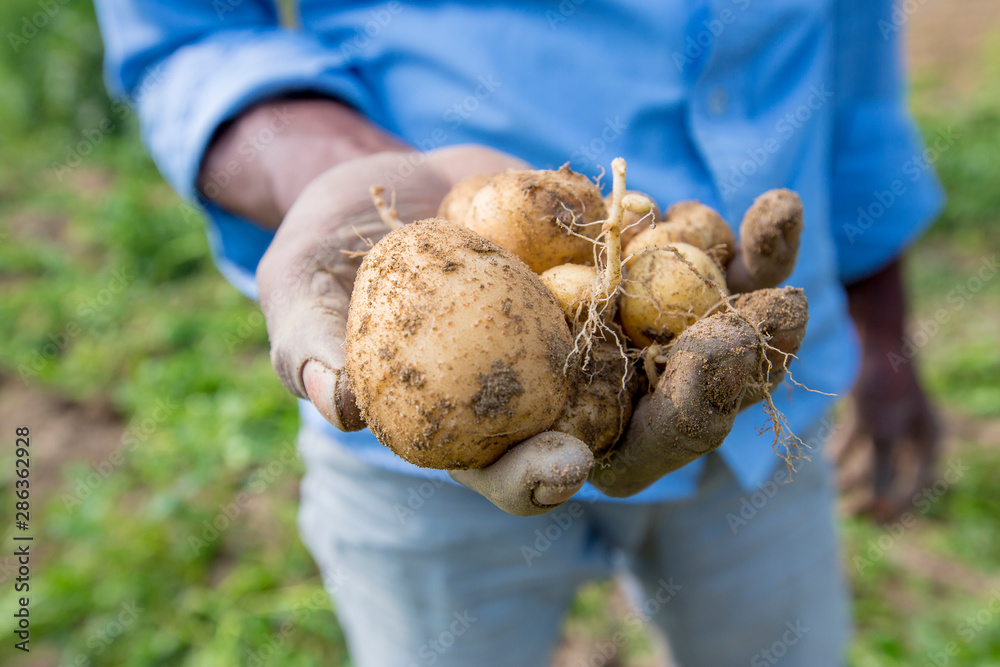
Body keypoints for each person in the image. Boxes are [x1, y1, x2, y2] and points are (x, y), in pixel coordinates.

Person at [94, 1, 943, 664]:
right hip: (428, 433)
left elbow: (859, 67)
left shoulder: (663, 268)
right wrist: (341, 167)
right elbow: (186, 34)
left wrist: (886, 335)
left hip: (758, 404)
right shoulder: (476, 246)